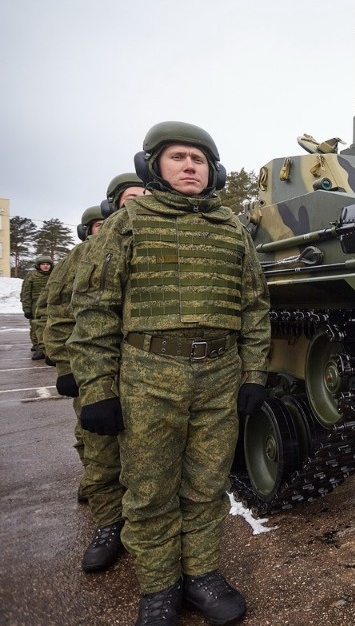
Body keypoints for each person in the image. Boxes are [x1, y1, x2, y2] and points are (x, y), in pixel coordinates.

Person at [70, 122, 271, 626]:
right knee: (151, 488)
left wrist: (253, 375)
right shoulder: (129, 222)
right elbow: (94, 308)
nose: (189, 166)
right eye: (178, 157)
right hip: (148, 374)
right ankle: (159, 587)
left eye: (199, 160)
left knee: (206, 484)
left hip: (219, 374)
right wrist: (96, 387)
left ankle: (201, 575)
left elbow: (254, 309)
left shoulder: (232, 230)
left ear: (213, 171)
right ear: (153, 166)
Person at [46, 204, 131, 572]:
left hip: (146, 370)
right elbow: (62, 312)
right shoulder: (83, 256)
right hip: (95, 366)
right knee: (102, 452)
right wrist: (66, 365)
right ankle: (109, 524)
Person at [20, 255, 54, 360]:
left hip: (51, 304)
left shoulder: (54, 275)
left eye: (47, 264)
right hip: (36, 305)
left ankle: (49, 349)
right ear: (38, 265)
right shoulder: (31, 276)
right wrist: (26, 309)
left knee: (50, 327)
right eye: (43, 264)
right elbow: (26, 293)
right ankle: (39, 349)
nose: (45, 266)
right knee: (36, 327)